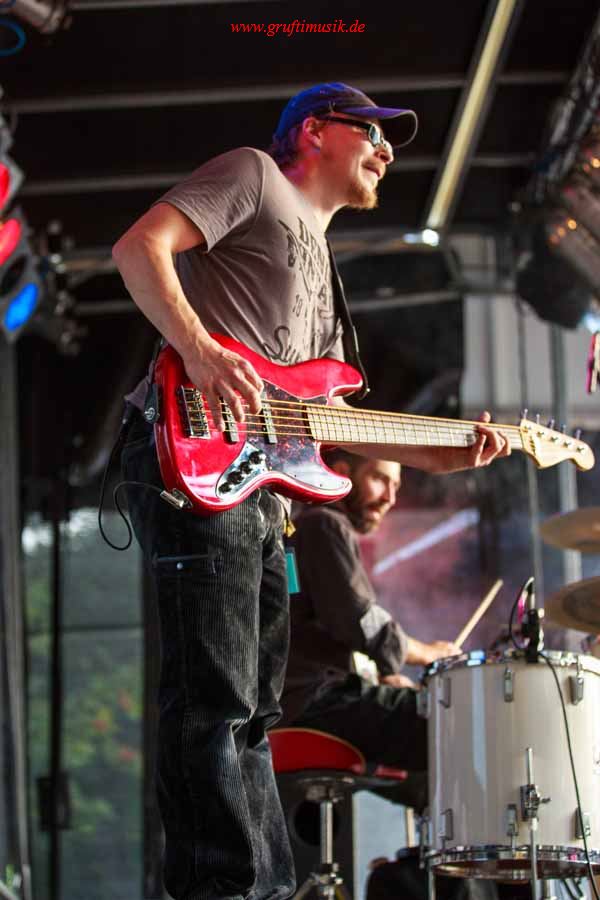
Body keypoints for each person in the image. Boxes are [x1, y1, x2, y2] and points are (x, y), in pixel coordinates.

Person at [111, 82, 510, 900]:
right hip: (197, 458)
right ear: (317, 131)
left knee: (257, 710)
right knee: (215, 699)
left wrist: (446, 456)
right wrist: (201, 350)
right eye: (373, 132)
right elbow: (138, 247)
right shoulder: (255, 176)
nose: (387, 151)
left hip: (263, 493)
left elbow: (330, 421)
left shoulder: (324, 268)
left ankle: (263, 885)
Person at [281, 449, 460, 808]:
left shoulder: (304, 527)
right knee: (452, 719)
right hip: (317, 703)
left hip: (300, 700)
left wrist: (381, 676)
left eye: (396, 486)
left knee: (424, 780)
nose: (390, 497)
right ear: (341, 472)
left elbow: (324, 630)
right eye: (379, 479)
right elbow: (358, 619)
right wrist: (428, 653)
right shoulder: (323, 524)